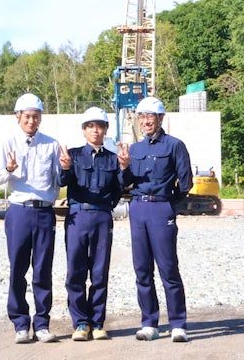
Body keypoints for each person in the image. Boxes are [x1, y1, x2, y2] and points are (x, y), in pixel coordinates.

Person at [0, 93, 60, 344]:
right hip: (19, 211)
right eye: (27, 116)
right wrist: (9, 169)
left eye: (36, 117)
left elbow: (58, 179)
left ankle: (42, 324)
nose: (32, 121)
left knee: (43, 270)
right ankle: (20, 323)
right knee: (18, 269)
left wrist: (66, 168)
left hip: (44, 212)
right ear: (18, 117)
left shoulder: (51, 144)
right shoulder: (8, 143)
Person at [121, 96, 192, 342]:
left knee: (168, 268)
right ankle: (149, 323)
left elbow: (186, 183)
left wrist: (169, 206)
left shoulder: (175, 145)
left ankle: (178, 324)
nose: (145, 121)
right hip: (138, 209)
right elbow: (124, 184)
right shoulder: (134, 150)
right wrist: (124, 167)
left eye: (150, 116)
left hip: (162, 208)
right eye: (141, 117)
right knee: (142, 269)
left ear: (161, 118)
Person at [57, 107, 128, 342]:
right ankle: (80, 323)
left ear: (105, 130)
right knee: (75, 271)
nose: (95, 130)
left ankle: (97, 323)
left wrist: (125, 168)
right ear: (84, 130)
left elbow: (120, 188)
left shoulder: (113, 159)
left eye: (99, 126)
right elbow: (62, 182)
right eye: (90, 126)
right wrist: (65, 168)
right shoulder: (73, 156)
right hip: (77, 217)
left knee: (99, 272)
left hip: (102, 218)